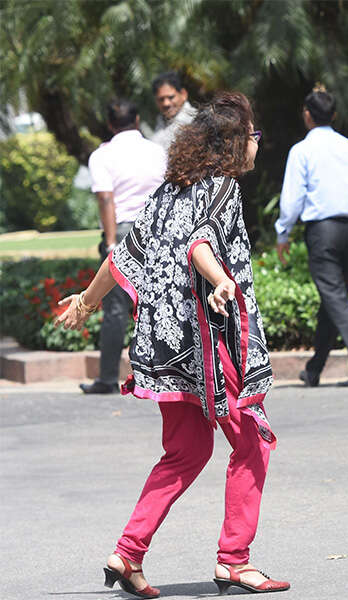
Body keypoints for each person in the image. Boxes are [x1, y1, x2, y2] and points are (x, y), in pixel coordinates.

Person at [54, 91, 289, 596]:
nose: (256, 144)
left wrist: (86, 303)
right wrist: (221, 281)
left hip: (165, 352)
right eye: (252, 136)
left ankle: (127, 553)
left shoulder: (169, 190)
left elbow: (124, 256)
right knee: (253, 442)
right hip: (211, 349)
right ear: (231, 145)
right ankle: (235, 560)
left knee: (186, 451)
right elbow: (200, 242)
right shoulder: (222, 188)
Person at [275, 88, 348, 388]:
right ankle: (314, 369)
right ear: (334, 115)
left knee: (334, 297)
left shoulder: (301, 151)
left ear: (307, 115)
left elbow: (292, 200)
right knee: (334, 299)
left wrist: (283, 233)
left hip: (322, 232)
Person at [80, 99, 166, 394]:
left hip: (126, 231)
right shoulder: (157, 151)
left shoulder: (102, 156)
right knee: (159, 303)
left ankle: (106, 378)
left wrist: (111, 242)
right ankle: (162, 374)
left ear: (109, 124)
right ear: (138, 119)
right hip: (161, 229)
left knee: (116, 307)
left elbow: (106, 199)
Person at [149, 70, 197, 150]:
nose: (166, 103)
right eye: (161, 99)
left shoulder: (194, 120)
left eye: (171, 97)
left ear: (183, 94)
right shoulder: (159, 125)